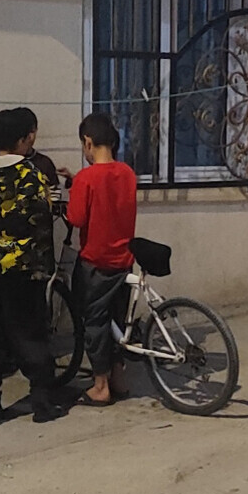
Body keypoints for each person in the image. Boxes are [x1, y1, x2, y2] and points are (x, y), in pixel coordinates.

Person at [0, 109, 65, 427]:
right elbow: (44, 222)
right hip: (24, 271)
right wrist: (43, 267)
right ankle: (42, 403)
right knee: (30, 335)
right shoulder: (31, 175)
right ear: (24, 139)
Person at [63, 113, 137, 406]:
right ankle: (119, 379)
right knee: (118, 321)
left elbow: (76, 218)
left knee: (95, 322)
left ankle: (100, 386)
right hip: (125, 260)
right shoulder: (127, 173)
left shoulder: (86, 178)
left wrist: (72, 190)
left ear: (88, 142)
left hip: (96, 263)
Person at [14, 107, 61, 189]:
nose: (31, 137)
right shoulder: (8, 161)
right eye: (26, 132)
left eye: (33, 131)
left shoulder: (45, 162)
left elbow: (54, 191)